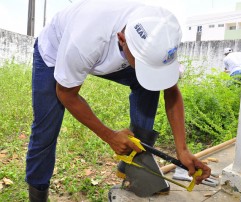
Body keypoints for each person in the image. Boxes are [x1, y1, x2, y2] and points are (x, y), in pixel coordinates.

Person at [25, 0, 211, 201]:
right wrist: (110, 136)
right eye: (143, 64)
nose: (148, 70)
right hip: (53, 53)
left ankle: (136, 159)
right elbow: (66, 94)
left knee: (148, 84)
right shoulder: (85, 40)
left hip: (111, 52)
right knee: (46, 130)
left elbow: (171, 91)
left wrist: (182, 150)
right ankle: (38, 193)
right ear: (122, 39)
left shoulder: (159, 33)